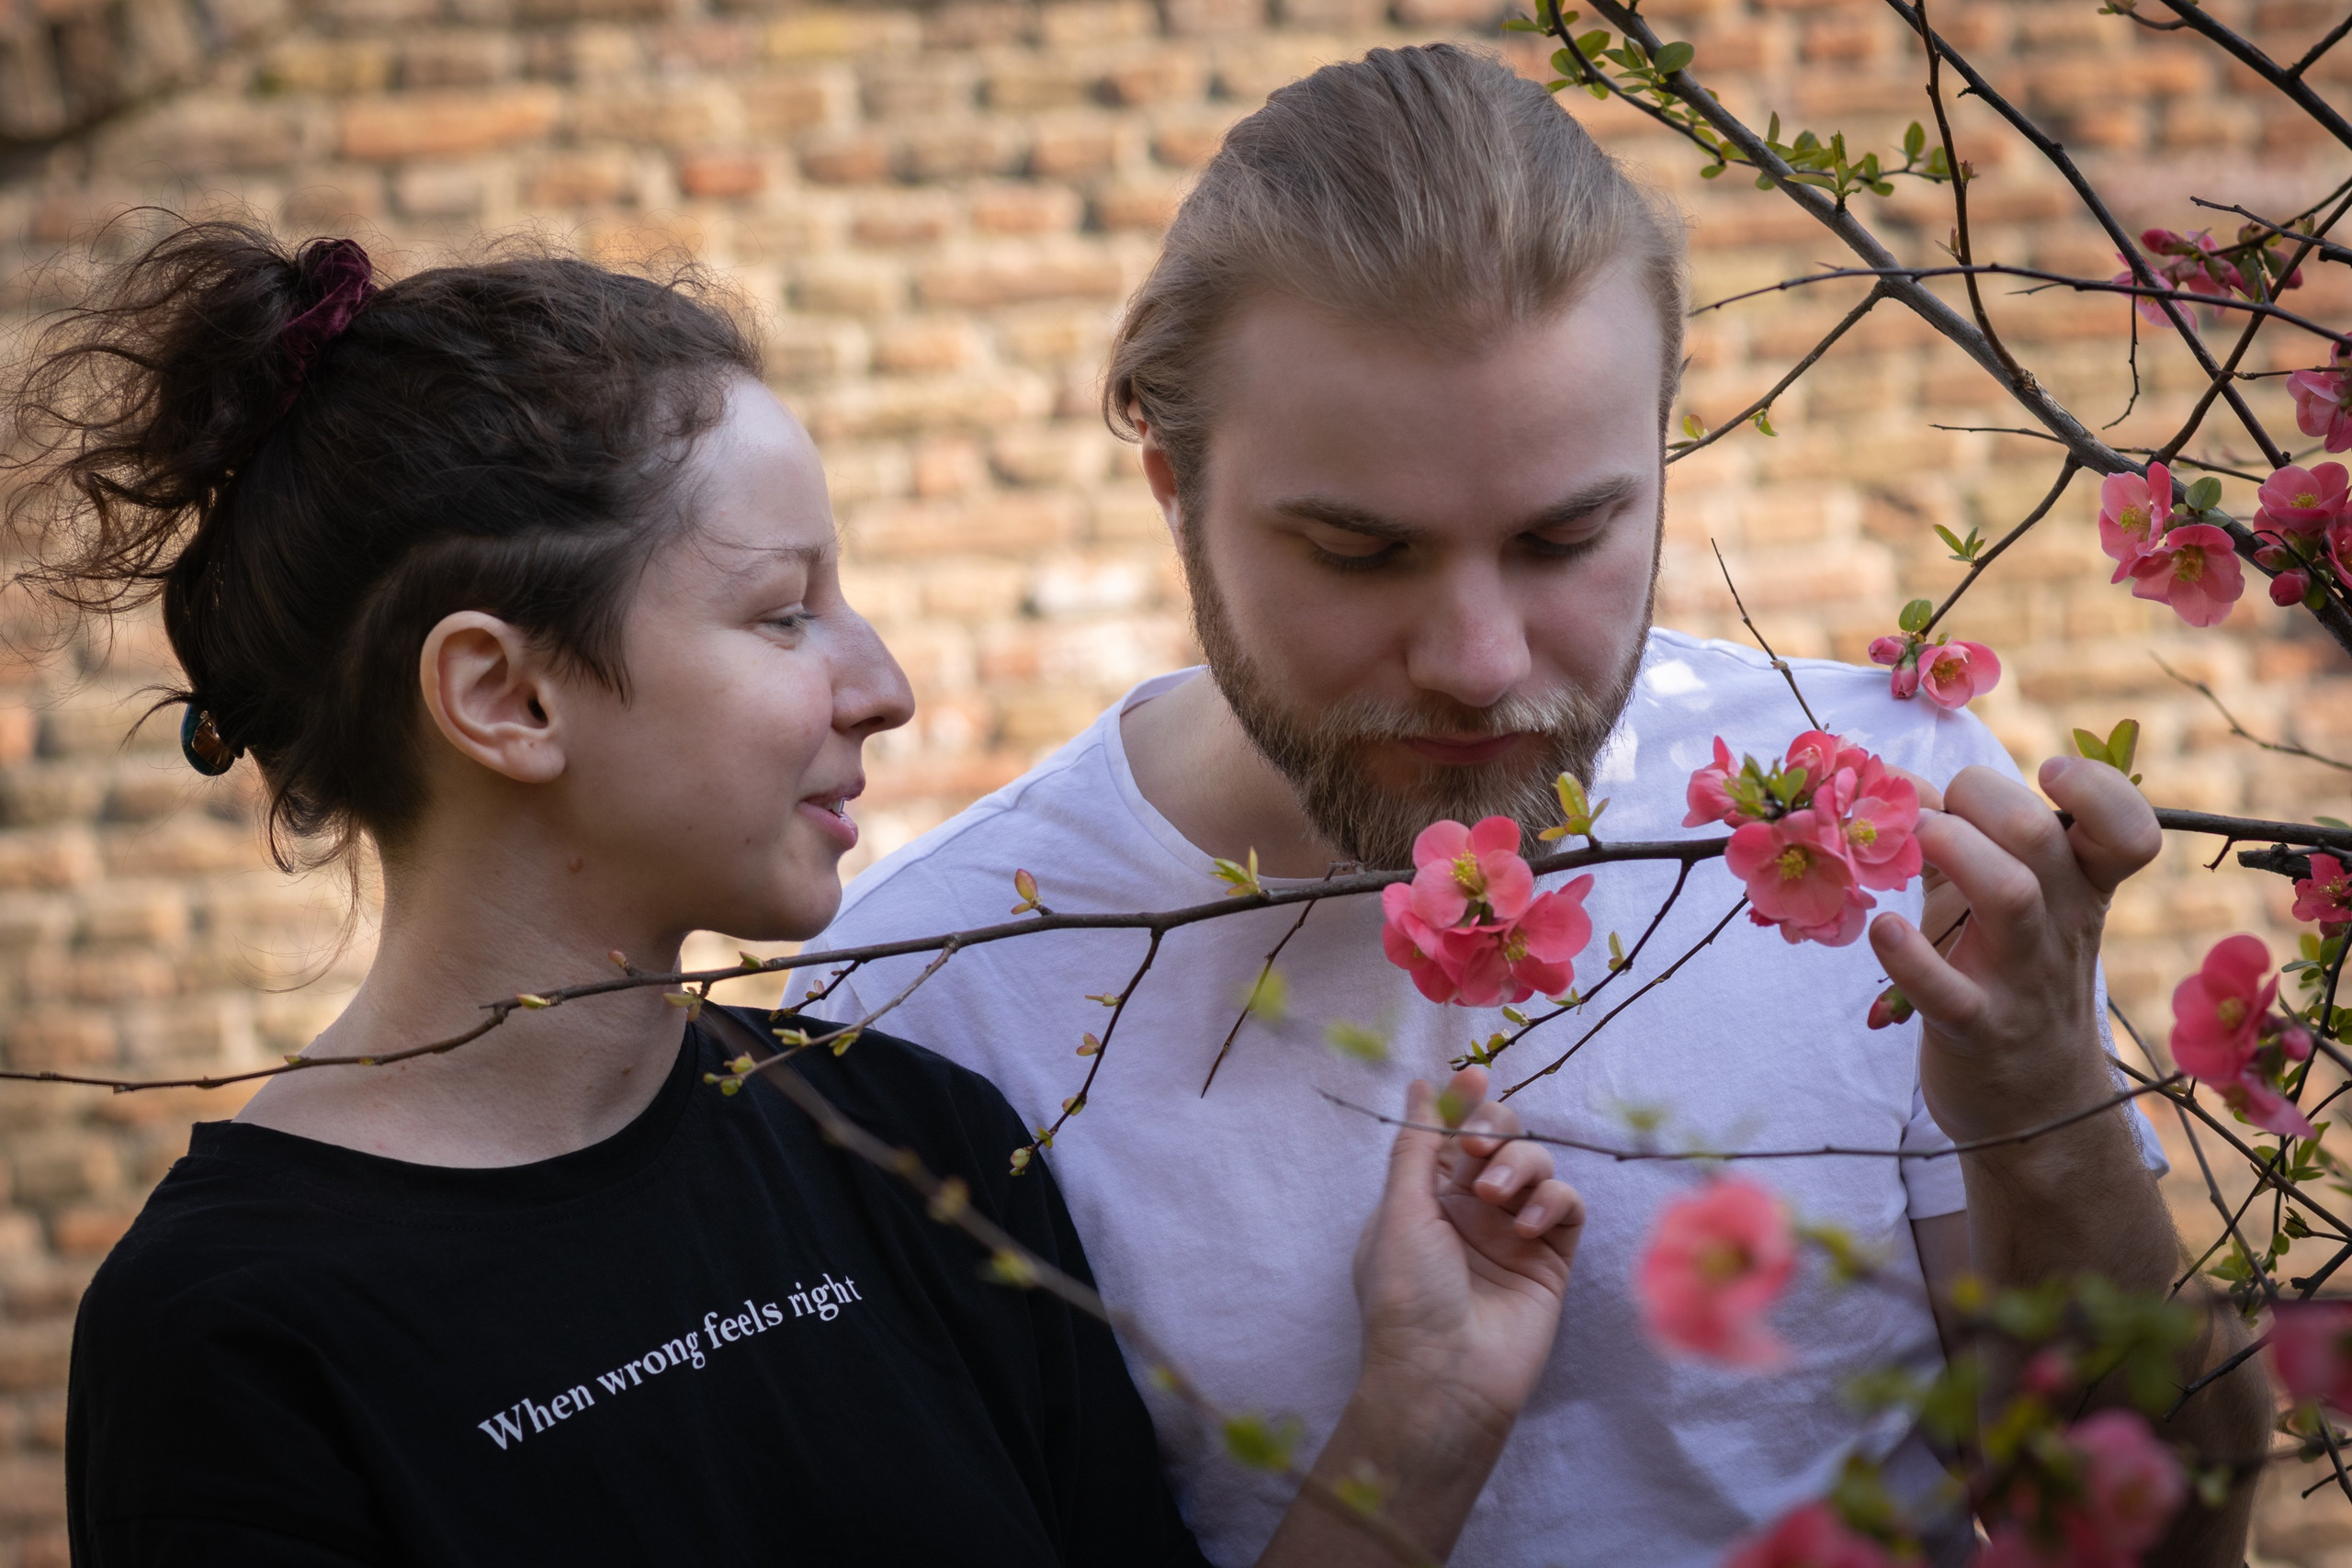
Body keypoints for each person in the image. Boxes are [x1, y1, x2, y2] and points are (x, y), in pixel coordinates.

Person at [800, 42, 2269, 1568]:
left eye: (1569, 536)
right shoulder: (924, 995)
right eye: (1362, 555)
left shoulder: (1871, 814)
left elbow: (2158, 1541)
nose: (1479, 665)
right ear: (1174, 486)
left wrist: (2042, 1114)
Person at [17, 219, 1594, 1566]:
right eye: (785, 614)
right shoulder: (234, 1337)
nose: (884, 685)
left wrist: (1421, 1425)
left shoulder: (918, 1147)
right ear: (505, 698)